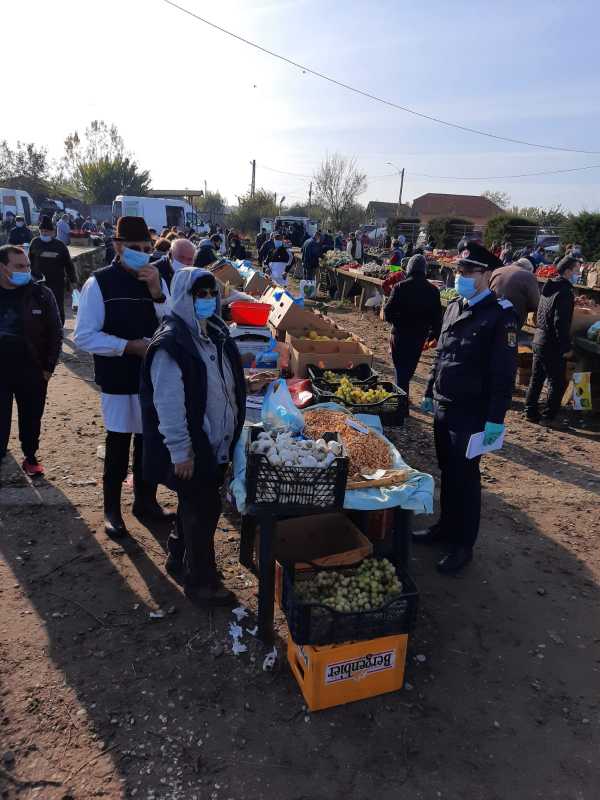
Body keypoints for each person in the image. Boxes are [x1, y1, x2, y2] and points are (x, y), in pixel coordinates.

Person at [140, 267, 246, 604]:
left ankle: (178, 555)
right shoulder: (171, 343)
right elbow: (168, 405)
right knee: (204, 510)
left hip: (214, 443)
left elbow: (217, 378)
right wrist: (181, 451)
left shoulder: (213, 331)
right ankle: (201, 583)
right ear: (184, 296)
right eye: (200, 295)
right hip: (193, 446)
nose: (208, 300)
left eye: (212, 294)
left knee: (193, 503)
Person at [419, 241, 518, 573]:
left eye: (468, 271)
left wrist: (495, 419)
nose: (461, 276)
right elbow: (441, 354)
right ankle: (445, 528)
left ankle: (463, 545)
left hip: (472, 413)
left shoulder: (500, 316)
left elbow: (503, 373)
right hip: (445, 405)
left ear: (487, 274)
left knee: (466, 478)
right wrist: (430, 389)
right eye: (459, 270)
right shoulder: (453, 306)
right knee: (447, 472)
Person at [74, 216, 173, 538]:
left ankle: (145, 502)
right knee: (118, 442)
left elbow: (172, 323)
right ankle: (112, 510)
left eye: (146, 248)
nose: (142, 254)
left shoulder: (157, 278)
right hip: (118, 377)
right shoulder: (99, 283)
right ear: (118, 247)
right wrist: (127, 346)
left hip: (152, 377)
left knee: (148, 442)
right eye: (134, 248)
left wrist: (157, 293)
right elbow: (84, 336)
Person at [0, 245, 62, 475]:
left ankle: (30, 456)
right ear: (2, 268)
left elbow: (55, 332)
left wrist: (48, 368)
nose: (26, 271)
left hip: (32, 369)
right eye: (19, 266)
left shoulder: (41, 294)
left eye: (27, 266)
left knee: (31, 417)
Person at [524, 255, 580, 425]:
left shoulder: (549, 286)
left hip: (539, 338)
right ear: (568, 271)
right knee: (558, 382)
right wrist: (565, 347)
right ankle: (548, 417)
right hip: (552, 343)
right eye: (576, 270)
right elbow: (560, 322)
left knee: (537, 378)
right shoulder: (565, 292)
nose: (578, 274)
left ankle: (530, 412)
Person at [384, 254, 443, 397]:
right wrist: (433, 336)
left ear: (409, 268)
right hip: (419, 337)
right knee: (408, 370)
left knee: (400, 369)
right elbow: (437, 319)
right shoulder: (433, 291)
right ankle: (401, 397)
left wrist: (398, 322)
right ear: (424, 270)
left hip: (399, 335)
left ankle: (401, 401)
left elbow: (387, 312)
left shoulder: (400, 287)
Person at [28, 216, 77, 324]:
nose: (44, 233)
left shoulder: (60, 246)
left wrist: (73, 280)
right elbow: (29, 261)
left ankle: (59, 326)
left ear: (52, 232)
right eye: (42, 231)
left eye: (46, 231)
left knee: (57, 305)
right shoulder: (35, 243)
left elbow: (68, 264)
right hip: (38, 281)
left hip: (56, 282)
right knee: (38, 306)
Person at [489, 256, 540, 329]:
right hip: (512, 320)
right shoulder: (529, 276)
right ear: (530, 269)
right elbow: (535, 303)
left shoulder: (497, 270)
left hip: (490, 314)